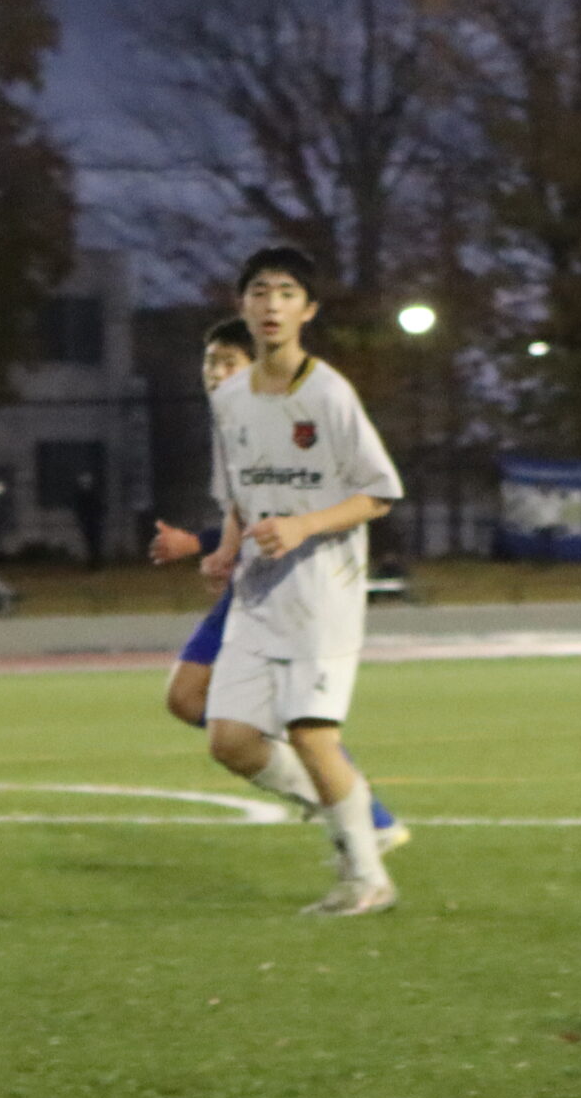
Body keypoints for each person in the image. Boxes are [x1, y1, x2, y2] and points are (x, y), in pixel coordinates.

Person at [199, 247, 406, 916]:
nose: (272, 304)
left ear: (308, 310)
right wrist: (226, 548)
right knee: (230, 740)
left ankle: (367, 876)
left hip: (323, 592)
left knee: (313, 736)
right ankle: (354, 812)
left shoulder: (327, 393)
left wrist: (304, 524)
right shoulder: (229, 398)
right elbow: (238, 492)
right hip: (258, 595)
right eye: (260, 291)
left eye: (287, 292)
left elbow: (378, 492)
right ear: (243, 305)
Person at [152, 317, 404, 850]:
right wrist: (214, 549)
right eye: (210, 362)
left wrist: (214, 544)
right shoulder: (229, 419)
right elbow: (244, 510)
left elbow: (306, 503)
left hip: (297, 583)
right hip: (252, 583)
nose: (215, 372)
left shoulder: (299, 410)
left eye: (229, 362)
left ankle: (364, 818)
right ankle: (350, 808)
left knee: (300, 724)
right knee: (188, 698)